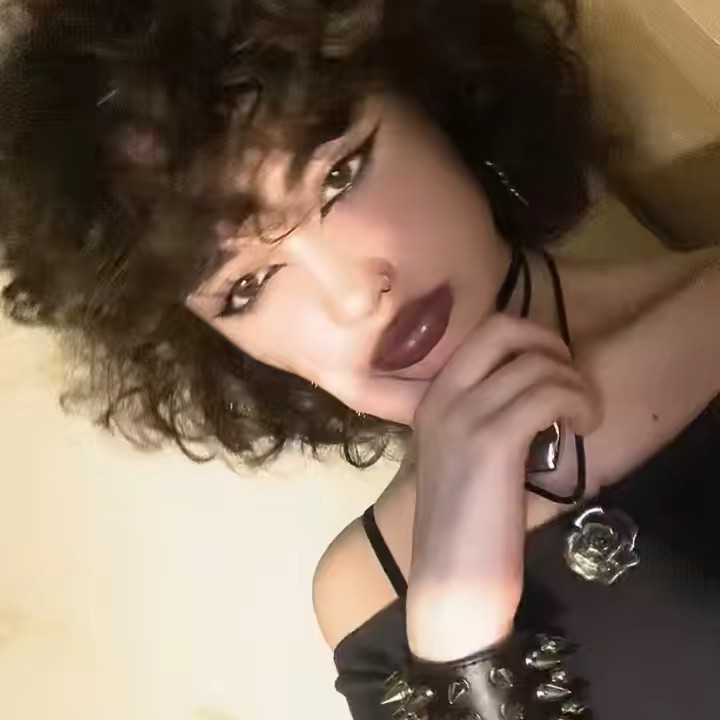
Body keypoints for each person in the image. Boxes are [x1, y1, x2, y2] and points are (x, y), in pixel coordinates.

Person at [0, 1, 718, 718]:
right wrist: (454, 637)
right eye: (247, 286)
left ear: (433, 100)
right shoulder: (364, 590)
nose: (351, 295)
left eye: (341, 174)